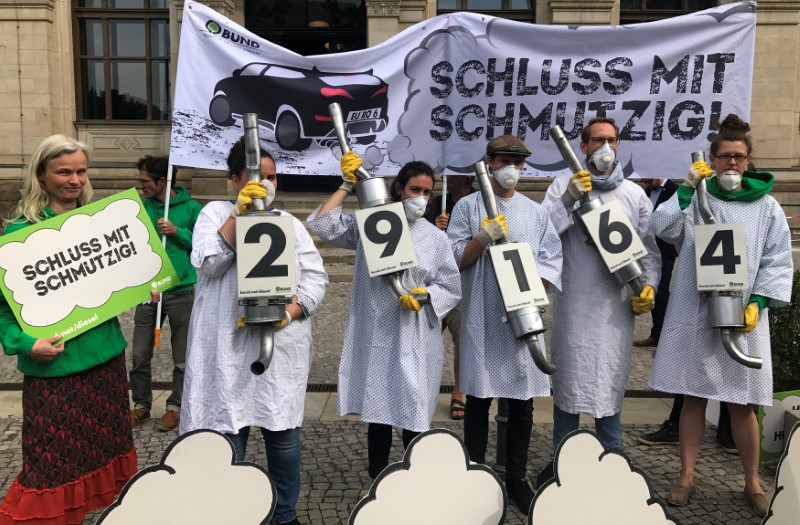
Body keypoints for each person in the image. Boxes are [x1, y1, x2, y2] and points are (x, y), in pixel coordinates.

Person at [647, 114, 793, 517]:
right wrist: (685, 191)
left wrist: (758, 302)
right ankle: (687, 477)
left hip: (741, 316)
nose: (732, 163)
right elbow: (665, 229)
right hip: (696, 311)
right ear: (712, 159)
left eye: (739, 157)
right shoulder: (697, 197)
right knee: (693, 396)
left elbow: (778, 261)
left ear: (749, 161)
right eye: (725, 156)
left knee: (742, 402)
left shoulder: (767, 208)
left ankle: (752, 481)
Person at [179, 137, 328, 525]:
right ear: (233, 181)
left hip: (277, 346)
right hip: (226, 344)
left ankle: (284, 514)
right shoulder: (213, 214)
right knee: (229, 434)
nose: (266, 184)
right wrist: (238, 216)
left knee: (282, 434)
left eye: (272, 177)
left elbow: (315, 279)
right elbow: (209, 263)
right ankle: (232, 514)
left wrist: (291, 312)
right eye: (256, 177)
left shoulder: (289, 224)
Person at [0, 135, 140, 524]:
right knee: (50, 467)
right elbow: (3, 311)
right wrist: (25, 344)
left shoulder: (100, 224)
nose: (74, 180)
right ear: (42, 176)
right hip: (54, 370)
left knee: (102, 455)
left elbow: (122, 281)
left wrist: (147, 282)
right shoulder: (17, 234)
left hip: (106, 362)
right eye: (64, 171)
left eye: (80, 171)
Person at [308, 156, 461, 480]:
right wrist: (347, 185)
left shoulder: (435, 238)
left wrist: (423, 296)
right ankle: (377, 483)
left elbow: (449, 285)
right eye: (414, 189)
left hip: (416, 335)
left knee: (414, 412)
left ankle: (412, 482)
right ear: (398, 189)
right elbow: (322, 224)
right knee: (377, 412)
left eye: (426, 192)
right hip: (378, 332)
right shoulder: (371, 224)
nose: (420, 197)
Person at [539, 117, 660, 485]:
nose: (605, 147)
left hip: (615, 308)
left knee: (609, 378)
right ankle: (562, 458)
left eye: (611, 140)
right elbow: (542, 232)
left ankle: (615, 459)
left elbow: (649, 251)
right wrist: (569, 201)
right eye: (597, 140)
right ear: (584, 146)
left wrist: (648, 287)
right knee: (570, 378)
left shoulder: (634, 195)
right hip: (575, 301)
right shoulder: (562, 185)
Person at [446, 135, 562, 512]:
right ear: (490, 162)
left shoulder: (536, 212)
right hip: (481, 316)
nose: (512, 167)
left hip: (521, 318)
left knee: (522, 403)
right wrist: (482, 237)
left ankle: (515, 476)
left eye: (518, 161)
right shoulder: (466, 206)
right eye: (504, 160)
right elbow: (455, 259)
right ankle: (475, 472)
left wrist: (532, 287)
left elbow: (550, 259)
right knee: (478, 399)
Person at [129, 155, 202, 432]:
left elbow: (204, 246)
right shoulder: (139, 207)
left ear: (163, 181)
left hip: (182, 291)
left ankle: (175, 408)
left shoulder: (192, 208)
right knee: (140, 354)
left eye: (145, 181)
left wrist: (177, 232)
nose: (141, 186)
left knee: (182, 357)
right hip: (149, 292)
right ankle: (141, 406)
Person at [424, 174, 475, 420]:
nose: (445, 175)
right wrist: (435, 227)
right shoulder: (436, 202)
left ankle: (458, 392)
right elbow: (420, 234)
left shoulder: (477, 201)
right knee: (426, 335)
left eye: (453, 171)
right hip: (434, 278)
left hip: (462, 281)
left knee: (461, 338)